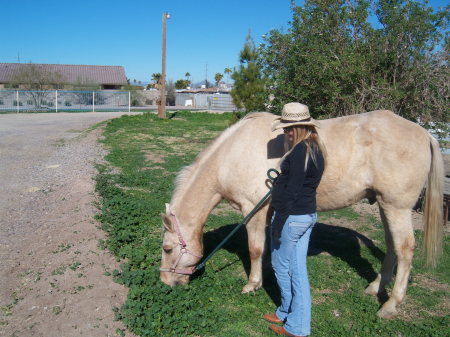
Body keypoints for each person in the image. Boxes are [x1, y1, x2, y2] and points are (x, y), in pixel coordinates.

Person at [264, 102, 326, 337]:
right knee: (294, 267)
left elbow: (293, 191)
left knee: (285, 267)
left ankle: (297, 327)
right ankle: (285, 311)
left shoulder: (300, 151)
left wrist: (277, 223)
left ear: (299, 128)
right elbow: (301, 183)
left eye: (288, 129)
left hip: (292, 217)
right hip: (306, 215)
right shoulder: (315, 148)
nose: (285, 133)